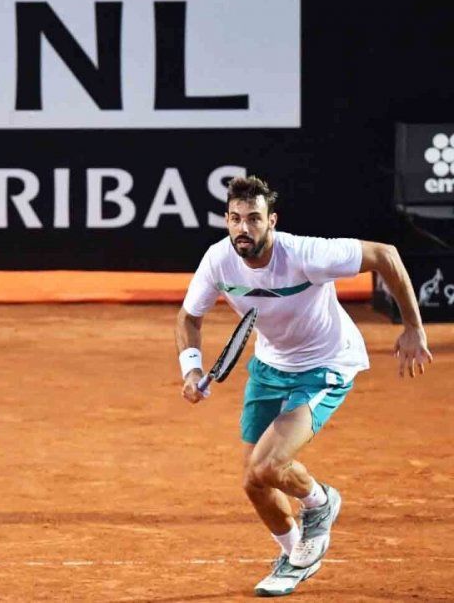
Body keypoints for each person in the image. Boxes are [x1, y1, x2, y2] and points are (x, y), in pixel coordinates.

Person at [175, 176, 431, 597]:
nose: (244, 228)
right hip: (270, 366)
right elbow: (188, 316)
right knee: (254, 483)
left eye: (254, 219)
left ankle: (320, 501)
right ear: (226, 220)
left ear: (271, 221)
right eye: (236, 219)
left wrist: (413, 329)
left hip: (325, 365)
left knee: (268, 466)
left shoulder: (305, 254)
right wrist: (190, 369)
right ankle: (296, 557)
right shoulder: (218, 260)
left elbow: (386, 255)